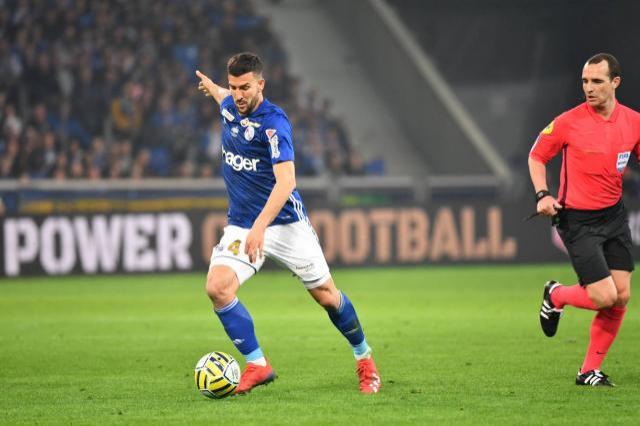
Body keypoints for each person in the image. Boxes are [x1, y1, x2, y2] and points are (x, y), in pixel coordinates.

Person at [195, 52, 381, 394]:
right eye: (234, 87)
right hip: (242, 224)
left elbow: (286, 183)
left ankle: (365, 359)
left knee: (326, 296)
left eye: (245, 87)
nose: (238, 94)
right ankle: (257, 365)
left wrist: (260, 227)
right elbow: (223, 95)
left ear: (261, 84)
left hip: (284, 222)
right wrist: (214, 87)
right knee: (217, 288)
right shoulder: (228, 105)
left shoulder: (274, 123)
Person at [529, 53, 640, 387]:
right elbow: (537, 156)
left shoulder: (633, 121)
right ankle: (556, 295)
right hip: (577, 220)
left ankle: (588, 371)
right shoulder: (568, 121)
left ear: (615, 83)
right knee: (604, 297)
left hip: (614, 216)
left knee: (621, 296)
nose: (589, 88)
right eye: (585, 81)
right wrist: (542, 195)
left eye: (597, 81)